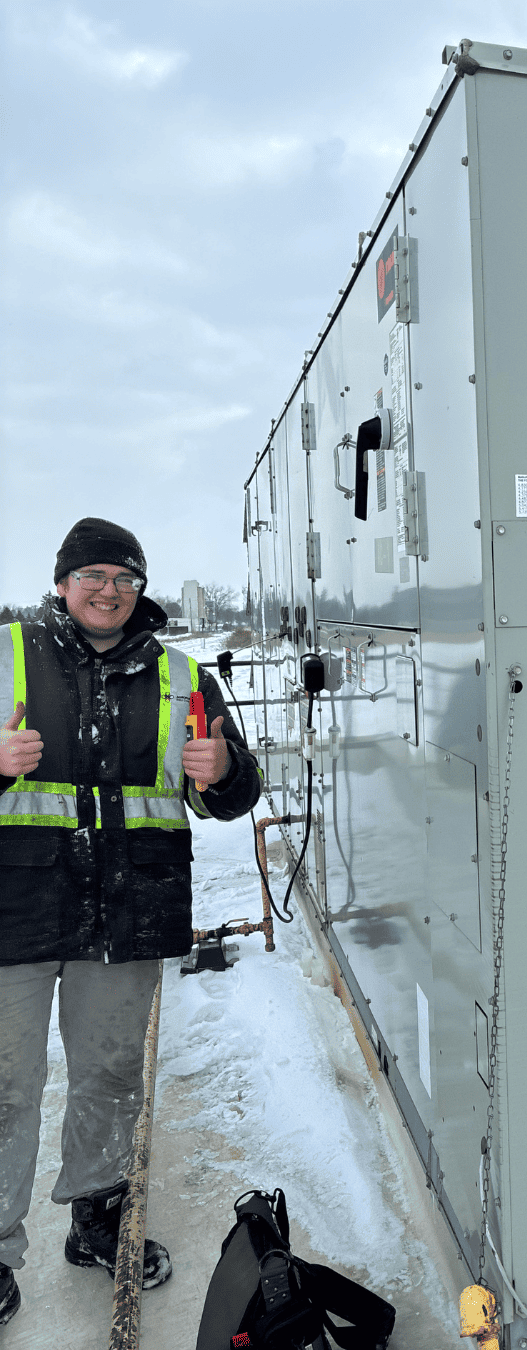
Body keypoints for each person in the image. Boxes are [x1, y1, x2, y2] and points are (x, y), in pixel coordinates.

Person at [0, 518, 263, 1326]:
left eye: (125, 577)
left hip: (127, 913)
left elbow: (235, 792)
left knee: (110, 1078)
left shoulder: (182, 675)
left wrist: (224, 774)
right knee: (6, 1086)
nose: (109, 590)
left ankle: (97, 1215)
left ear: (140, 589)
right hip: (16, 910)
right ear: (61, 584)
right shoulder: (6, 657)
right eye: (93, 576)